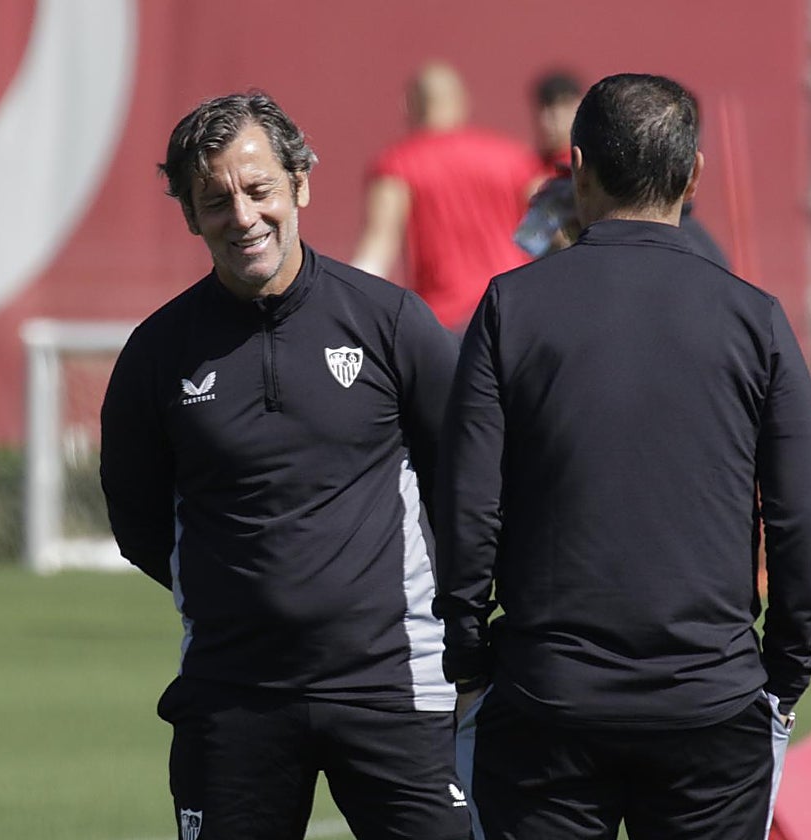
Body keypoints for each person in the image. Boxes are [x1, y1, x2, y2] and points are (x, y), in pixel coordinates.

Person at [434, 73, 811, 839]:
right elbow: (798, 515)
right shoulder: (757, 320)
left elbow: (467, 504)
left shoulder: (510, 309)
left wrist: (469, 659)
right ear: (694, 174)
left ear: (576, 166)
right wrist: (785, 668)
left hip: (546, 702)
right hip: (711, 706)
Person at [100, 91, 470, 840]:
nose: (242, 217)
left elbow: (467, 483)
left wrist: (462, 627)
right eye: (216, 201)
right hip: (233, 695)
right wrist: (230, 590)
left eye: (259, 189)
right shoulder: (158, 352)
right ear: (190, 216)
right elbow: (136, 517)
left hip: (392, 687)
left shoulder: (391, 323)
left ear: (299, 183)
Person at [352, 61, 536, 331]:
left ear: (408, 105)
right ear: (463, 100)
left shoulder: (398, 164)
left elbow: (379, 244)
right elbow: (545, 234)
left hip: (446, 321)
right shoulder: (516, 159)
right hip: (515, 312)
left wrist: (347, 303)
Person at [526, 69, 583, 193]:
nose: (546, 122)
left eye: (554, 115)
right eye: (543, 113)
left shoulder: (585, 165)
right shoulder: (530, 165)